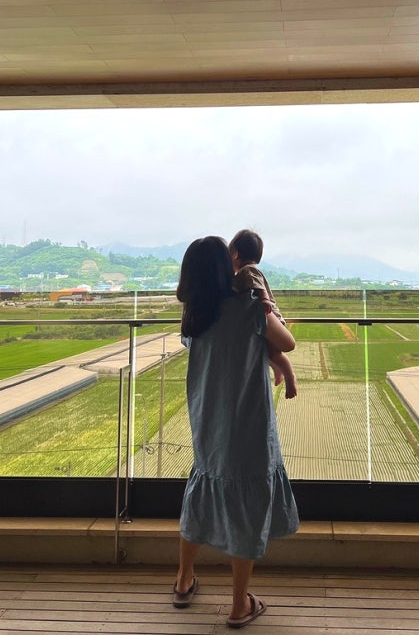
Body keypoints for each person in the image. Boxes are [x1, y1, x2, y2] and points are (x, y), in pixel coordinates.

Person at [173, 236, 299, 628]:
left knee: (202, 490)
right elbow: (288, 342)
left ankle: (183, 579)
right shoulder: (247, 308)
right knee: (247, 506)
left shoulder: (195, 315)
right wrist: (265, 310)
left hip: (207, 418)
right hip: (246, 420)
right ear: (225, 267)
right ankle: (238, 604)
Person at [229, 229, 299, 399]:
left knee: (275, 354)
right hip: (269, 317)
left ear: (235, 253)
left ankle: (290, 378)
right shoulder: (248, 271)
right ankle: (277, 370)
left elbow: (258, 286)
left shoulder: (248, 271)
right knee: (267, 352)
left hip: (270, 316)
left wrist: (264, 299)